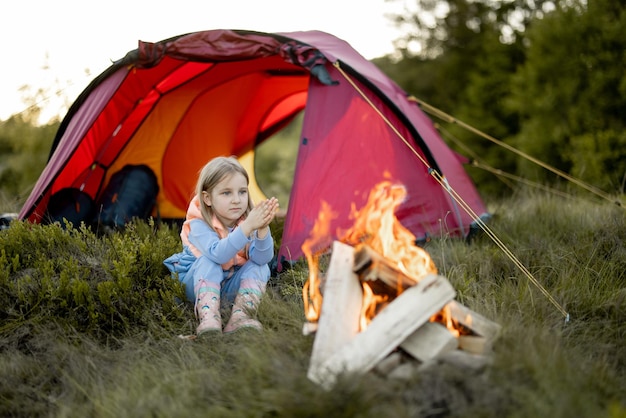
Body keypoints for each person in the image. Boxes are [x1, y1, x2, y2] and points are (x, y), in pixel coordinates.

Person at [164, 156, 279, 335]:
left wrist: (263, 229)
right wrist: (248, 227)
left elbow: (262, 258)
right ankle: (209, 319)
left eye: (242, 192)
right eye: (226, 193)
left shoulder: (245, 221)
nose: (236, 200)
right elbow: (218, 254)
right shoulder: (199, 224)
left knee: (260, 266)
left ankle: (240, 317)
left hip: (227, 287)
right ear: (208, 198)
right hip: (196, 288)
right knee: (209, 260)